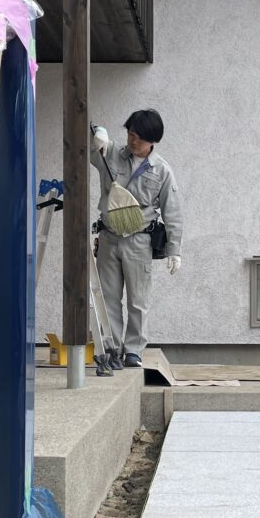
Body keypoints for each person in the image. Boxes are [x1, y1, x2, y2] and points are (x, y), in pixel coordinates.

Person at [90, 109, 183, 367]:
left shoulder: (162, 170)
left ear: (153, 141)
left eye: (140, 138)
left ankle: (133, 350)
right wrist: (98, 136)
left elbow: (173, 211)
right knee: (107, 297)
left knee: (138, 299)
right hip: (109, 237)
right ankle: (111, 348)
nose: (133, 141)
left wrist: (174, 250)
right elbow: (86, 149)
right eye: (131, 134)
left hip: (139, 240)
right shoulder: (111, 153)